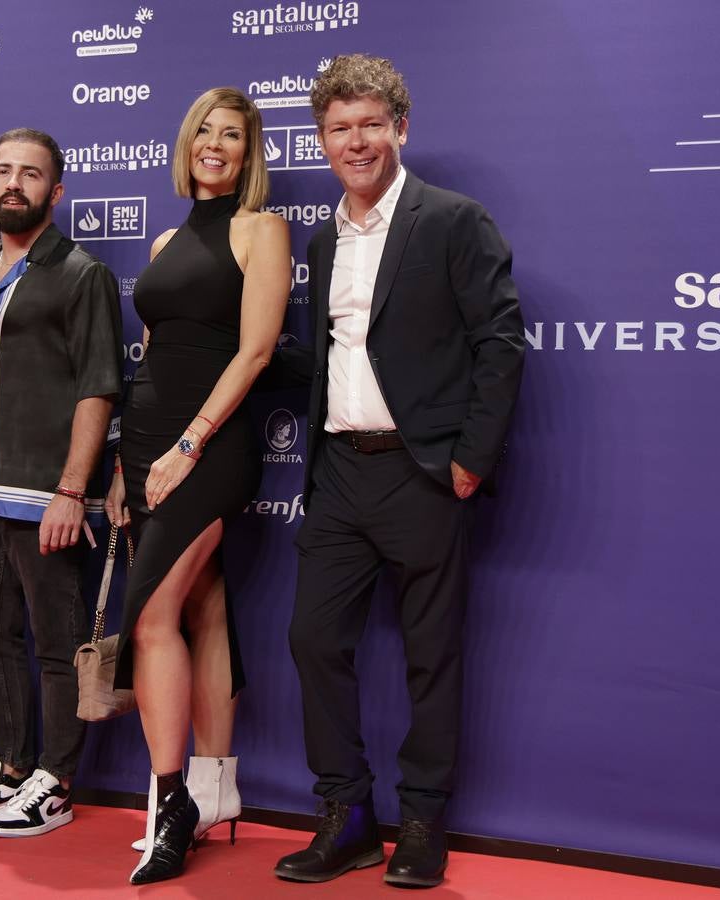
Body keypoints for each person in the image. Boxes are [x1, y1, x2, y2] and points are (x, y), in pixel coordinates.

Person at [272, 54, 525, 888]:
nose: (356, 141)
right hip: (340, 472)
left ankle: (421, 823)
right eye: (339, 129)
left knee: (430, 655)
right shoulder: (321, 235)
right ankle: (344, 814)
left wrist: (468, 463)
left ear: (400, 129)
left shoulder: (452, 221)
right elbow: (341, 353)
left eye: (370, 125)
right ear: (322, 140)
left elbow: (499, 343)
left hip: (423, 473)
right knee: (313, 639)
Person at [104, 87, 289, 885]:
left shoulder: (261, 230)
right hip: (150, 440)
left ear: (249, 155)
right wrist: (126, 461)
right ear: (187, 144)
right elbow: (154, 355)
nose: (215, 145)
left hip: (207, 447)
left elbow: (251, 354)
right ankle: (217, 788)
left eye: (233, 136)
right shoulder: (163, 241)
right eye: (205, 132)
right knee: (204, 605)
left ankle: (171, 798)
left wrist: (187, 445)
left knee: (150, 620)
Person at [0, 128, 123, 839]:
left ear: (55, 191)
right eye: (4, 171)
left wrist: (73, 490)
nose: (14, 183)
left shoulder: (80, 274)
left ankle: (57, 780)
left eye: (31, 174)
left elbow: (98, 388)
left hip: (45, 494)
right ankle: (10, 764)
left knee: (54, 640)